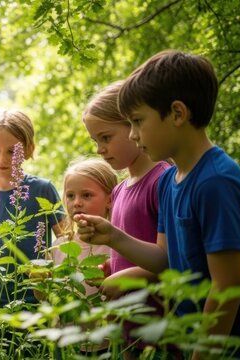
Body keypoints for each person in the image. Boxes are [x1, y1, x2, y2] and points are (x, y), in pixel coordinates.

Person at [76, 50, 240, 359]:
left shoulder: (216, 182)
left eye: (138, 121)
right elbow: (164, 260)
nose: (133, 134)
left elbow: (227, 287)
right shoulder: (172, 182)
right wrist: (113, 236)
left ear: (177, 113)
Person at [82, 81, 171, 358]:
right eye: (94, 141)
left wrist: (127, 276)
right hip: (125, 327)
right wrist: (110, 267)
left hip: (158, 325)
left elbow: (170, 259)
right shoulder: (120, 189)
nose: (99, 149)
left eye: (106, 138)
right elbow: (128, 245)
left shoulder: (162, 180)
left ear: (134, 127)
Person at [0, 109, 64, 357]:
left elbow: (65, 239)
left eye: (12, 151)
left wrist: (53, 273)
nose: (3, 159)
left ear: (28, 149)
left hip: (36, 303)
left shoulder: (42, 189)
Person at [50, 158, 116, 296]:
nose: (77, 203)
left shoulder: (118, 245)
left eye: (86, 195)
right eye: (70, 196)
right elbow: (49, 298)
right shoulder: (59, 247)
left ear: (109, 200)